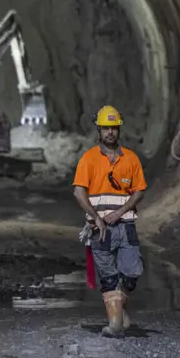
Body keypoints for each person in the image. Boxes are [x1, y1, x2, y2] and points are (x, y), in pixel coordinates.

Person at [72, 105, 147, 338]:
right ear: (99, 130)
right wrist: (97, 218)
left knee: (132, 273)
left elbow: (139, 191)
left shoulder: (131, 159)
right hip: (100, 229)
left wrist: (120, 211)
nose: (110, 133)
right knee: (109, 276)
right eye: (106, 128)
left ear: (118, 129)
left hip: (126, 226)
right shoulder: (89, 159)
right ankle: (115, 325)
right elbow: (78, 192)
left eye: (114, 128)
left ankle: (118, 311)